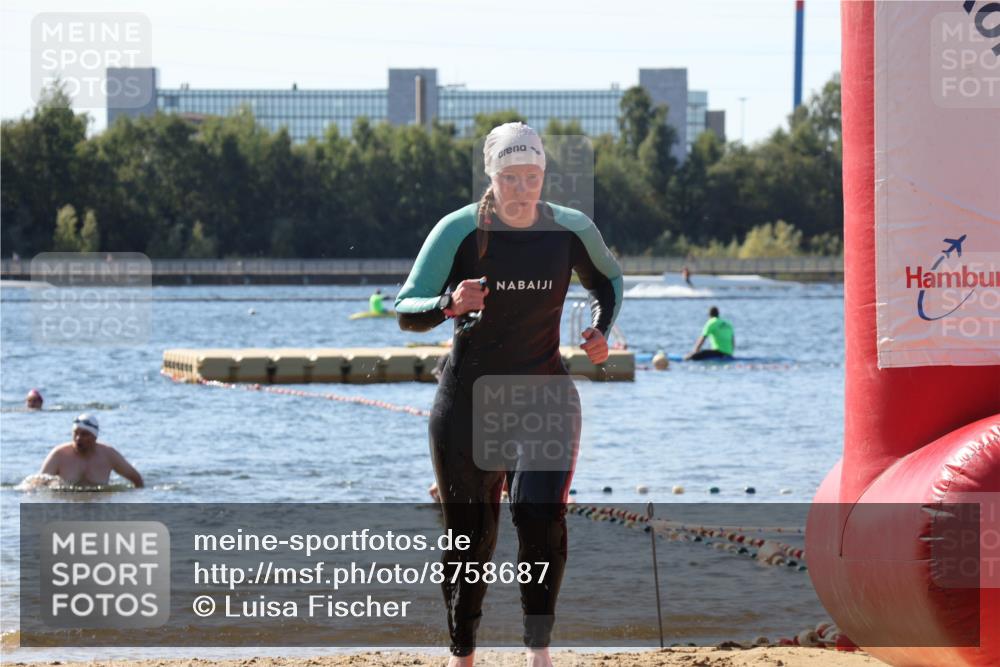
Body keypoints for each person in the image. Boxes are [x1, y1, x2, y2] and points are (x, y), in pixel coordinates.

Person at [395, 122, 622, 667]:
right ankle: (463, 655)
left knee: (539, 518)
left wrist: (599, 330)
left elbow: (608, 281)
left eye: (532, 177)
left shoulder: (571, 229)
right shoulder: (459, 230)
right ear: (491, 177)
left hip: (545, 399)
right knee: (470, 538)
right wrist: (449, 304)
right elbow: (406, 309)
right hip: (468, 404)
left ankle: (538, 652)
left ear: (544, 175)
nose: (522, 189)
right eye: (510, 178)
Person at [38, 414, 144, 488]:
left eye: (84, 434)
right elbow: (37, 484)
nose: (78, 438)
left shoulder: (108, 455)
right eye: (76, 433)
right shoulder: (59, 455)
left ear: (94, 437)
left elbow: (137, 479)